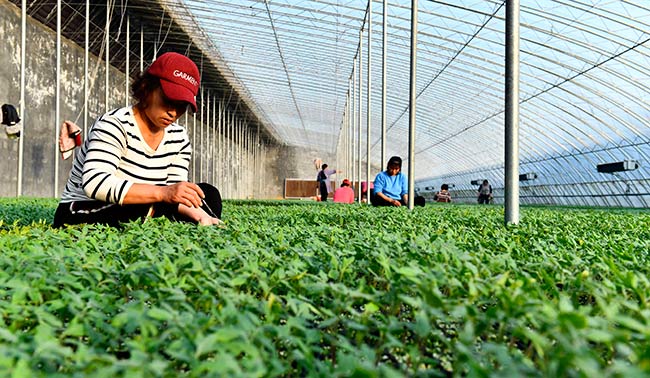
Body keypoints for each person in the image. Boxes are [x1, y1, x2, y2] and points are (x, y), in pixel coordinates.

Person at [53, 52, 222, 228]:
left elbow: (173, 193)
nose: (172, 112)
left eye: (181, 105)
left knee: (207, 194)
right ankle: (153, 217)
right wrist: (163, 193)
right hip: (84, 209)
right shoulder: (115, 124)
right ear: (147, 88)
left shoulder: (178, 138)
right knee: (139, 206)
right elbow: (95, 183)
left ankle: (189, 220)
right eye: (168, 99)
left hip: (147, 203)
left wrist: (198, 211)